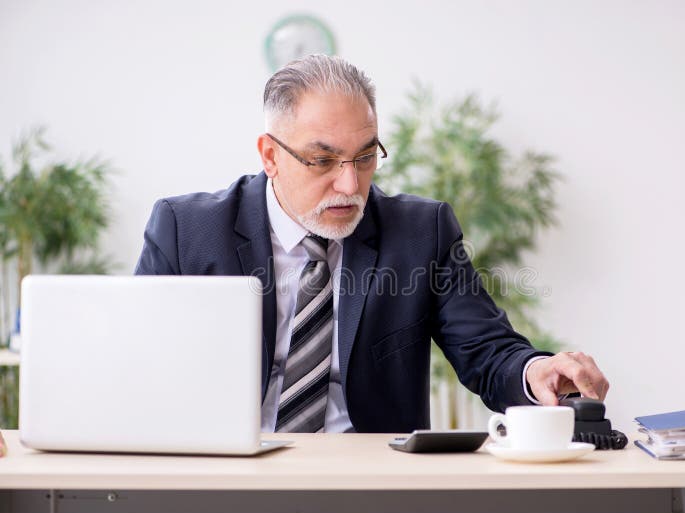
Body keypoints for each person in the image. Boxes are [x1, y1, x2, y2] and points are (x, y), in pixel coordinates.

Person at [135, 55, 609, 433]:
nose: (349, 184)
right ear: (270, 155)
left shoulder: (422, 231)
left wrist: (535, 371)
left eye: (365, 157)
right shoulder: (186, 229)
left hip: (371, 480)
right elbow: (139, 363)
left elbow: (487, 350)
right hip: (224, 473)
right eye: (323, 161)